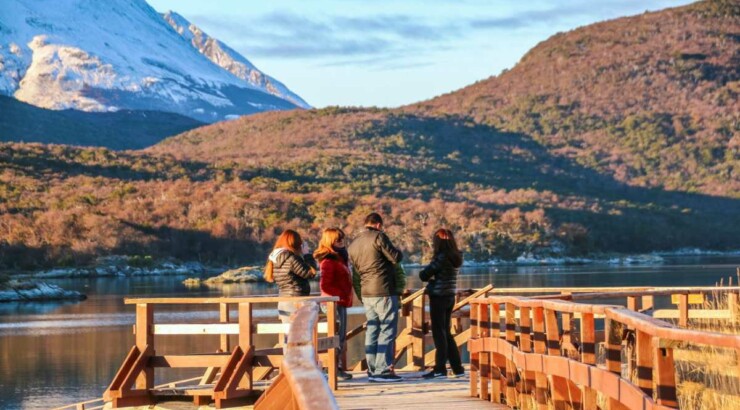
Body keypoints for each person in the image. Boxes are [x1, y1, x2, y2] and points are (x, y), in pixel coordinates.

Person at [348, 213, 403, 382]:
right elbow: (395, 257)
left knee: (372, 329)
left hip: (367, 292)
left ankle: (372, 368)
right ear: (378, 225)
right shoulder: (379, 237)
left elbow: (356, 270)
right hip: (383, 289)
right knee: (387, 329)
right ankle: (382, 370)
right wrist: (399, 250)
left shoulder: (354, 243)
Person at [419, 228, 465, 379]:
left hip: (438, 296)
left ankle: (440, 369)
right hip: (450, 296)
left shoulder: (441, 257)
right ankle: (457, 368)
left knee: (439, 332)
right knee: (446, 331)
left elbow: (424, 275)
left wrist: (430, 279)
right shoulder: (456, 256)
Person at [314, 228, 354, 381]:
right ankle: (332, 368)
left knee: (340, 336)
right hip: (333, 303)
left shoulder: (340, 258)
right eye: (338, 240)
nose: (341, 242)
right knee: (337, 336)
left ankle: (335, 367)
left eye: (342, 239)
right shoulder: (328, 260)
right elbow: (325, 285)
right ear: (330, 241)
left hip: (340, 301)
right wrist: (338, 296)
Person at [264, 229, 317, 325]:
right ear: (295, 243)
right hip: (295, 301)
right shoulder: (291, 258)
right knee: (298, 335)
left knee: (289, 334)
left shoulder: (275, 257)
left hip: (283, 300)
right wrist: (307, 254)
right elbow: (310, 273)